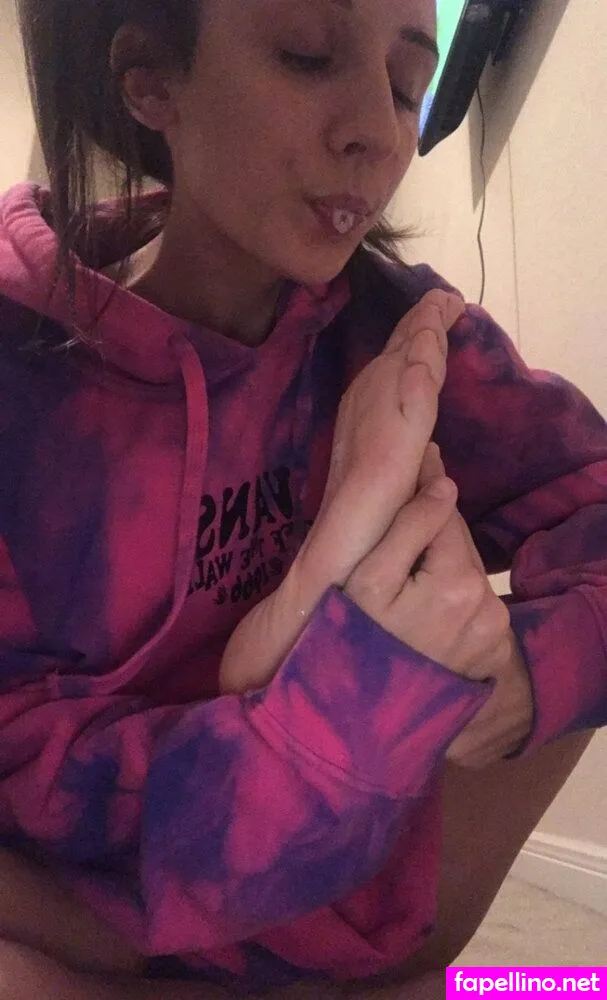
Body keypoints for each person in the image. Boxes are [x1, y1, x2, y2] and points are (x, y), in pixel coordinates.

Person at [0, 0, 604, 997]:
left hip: (354, 891)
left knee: (563, 962)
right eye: (306, 57)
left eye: (407, 87)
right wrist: (320, 693)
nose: (377, 132)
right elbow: (33, 781)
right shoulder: (26, 383)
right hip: (111, 905)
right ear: (149, 81)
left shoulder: (402, 331)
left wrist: (523, 677)